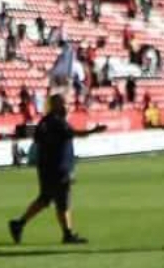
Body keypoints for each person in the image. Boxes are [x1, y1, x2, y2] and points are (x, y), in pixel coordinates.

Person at [8, 93, 106, 245]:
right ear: (57, 105)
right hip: (58, 167)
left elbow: (38, 140)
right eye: (64, 103)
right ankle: (67, 234)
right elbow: (74, 133)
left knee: (45, 199)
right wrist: (93, 131)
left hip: (46, 167)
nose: (67, 106)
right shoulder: (58, 122)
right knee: (63, 200)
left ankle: (19, 224)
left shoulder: (45, 121)